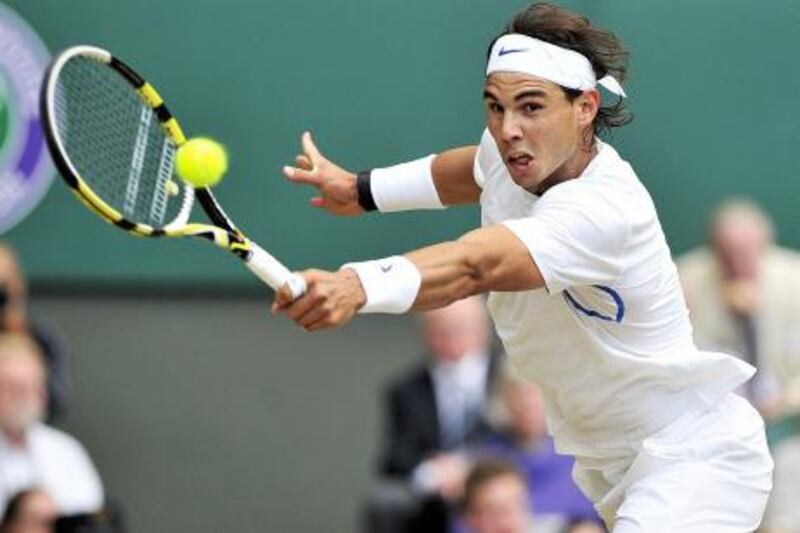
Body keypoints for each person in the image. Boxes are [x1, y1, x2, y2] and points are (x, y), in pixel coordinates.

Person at [273, 3, 773, 530]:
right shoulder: (512, 151)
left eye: (531, 107)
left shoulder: (603, 211)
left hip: (693, 459)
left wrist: (356, 285)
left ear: (585, 107)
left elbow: (475, 266)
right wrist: (363, 189)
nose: (508, 128)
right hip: (609, 460)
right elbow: (472, 167)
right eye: (495, 107)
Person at [677, 199, 800, 532]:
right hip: (714, 423)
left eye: (746, 252)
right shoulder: (686, 279)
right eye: (727, 253)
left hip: (786, 425)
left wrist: (787, 399)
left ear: (764, 246)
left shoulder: (794, 279)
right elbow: (683, 358)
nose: (737, 263)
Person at [366, 296, 499, 533]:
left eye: (461, 330)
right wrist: (433, 474)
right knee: (386, 501)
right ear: (426, 336)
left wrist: (468, 467)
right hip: (433, 496)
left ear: (483, 331)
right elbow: (396, 458)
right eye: (441, 332)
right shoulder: (405, 390)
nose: (452, 341)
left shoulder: (509, 376)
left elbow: (520, 436)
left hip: (498, 478)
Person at [480, 371, 600, 530]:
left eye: (532, 394)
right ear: (504, 402)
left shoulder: (574, 455)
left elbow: (592, 519)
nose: (526, 404)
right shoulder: (490, 456)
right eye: (517, 396)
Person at [0, 334, 103, 515]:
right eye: (13, 388)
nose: (23, 399)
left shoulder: (65, 451)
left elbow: (88, 516)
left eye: (32, 387)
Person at [0, 244, 71, 421]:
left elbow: (58, 400)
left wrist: (18, 332)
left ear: (17, 286)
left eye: (4, 286)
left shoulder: (44, 338)